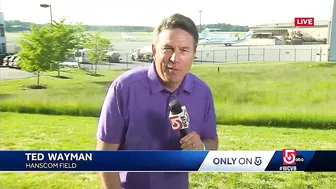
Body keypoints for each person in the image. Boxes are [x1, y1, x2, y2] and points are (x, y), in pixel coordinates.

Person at [96, 13, 218, 189]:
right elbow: (105, 155)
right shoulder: (124, 88)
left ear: (194, 54)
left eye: (184, 50)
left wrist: (202, 148)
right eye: (168, 49)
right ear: (154, 51)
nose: (175, 59)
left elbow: (212, 142)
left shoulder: (202, 92)